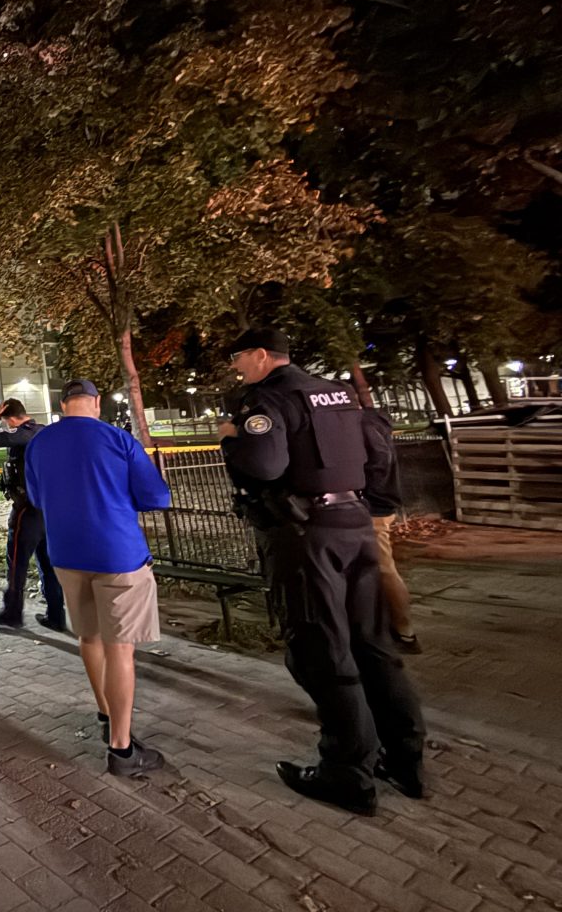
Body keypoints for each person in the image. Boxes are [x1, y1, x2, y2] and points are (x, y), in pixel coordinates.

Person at [220, 329, 425, 815]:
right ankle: (404, 759)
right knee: (373, 644)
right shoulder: (337, 393)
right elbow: (378, 450)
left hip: (306, 535)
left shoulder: (269, 398)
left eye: (239, 358)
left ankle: (346, 772)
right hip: (355, 524)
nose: (236, 367)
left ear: (263, 356)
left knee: (322, 651)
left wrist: (231, 440)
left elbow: (266, 466)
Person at [24, 380, 172, 776]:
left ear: (61, 404)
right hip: (118, 554)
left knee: (89, 637)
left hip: (67, 553)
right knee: (120, 648)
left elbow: (37, 497)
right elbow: (157, 497)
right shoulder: (117, 439)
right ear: (96, 402)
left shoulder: (39, 443)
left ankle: (107, 713)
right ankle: (122, 750)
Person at [0, 398, 67, 631]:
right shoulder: (45, 432)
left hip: (27, 510)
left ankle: (12, 612)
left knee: (16, 562)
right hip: (50, 508)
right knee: (48, 563)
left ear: (9, 417)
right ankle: (56, 615)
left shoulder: (21, 433)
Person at [362, 407, 420, 653]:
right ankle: (394, 628)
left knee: (384, 569)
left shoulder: (362, 425)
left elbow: (377, 460)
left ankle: (405, 633)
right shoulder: (374, 420)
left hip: (374, 505)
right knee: (379, 568)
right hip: (382, 503)